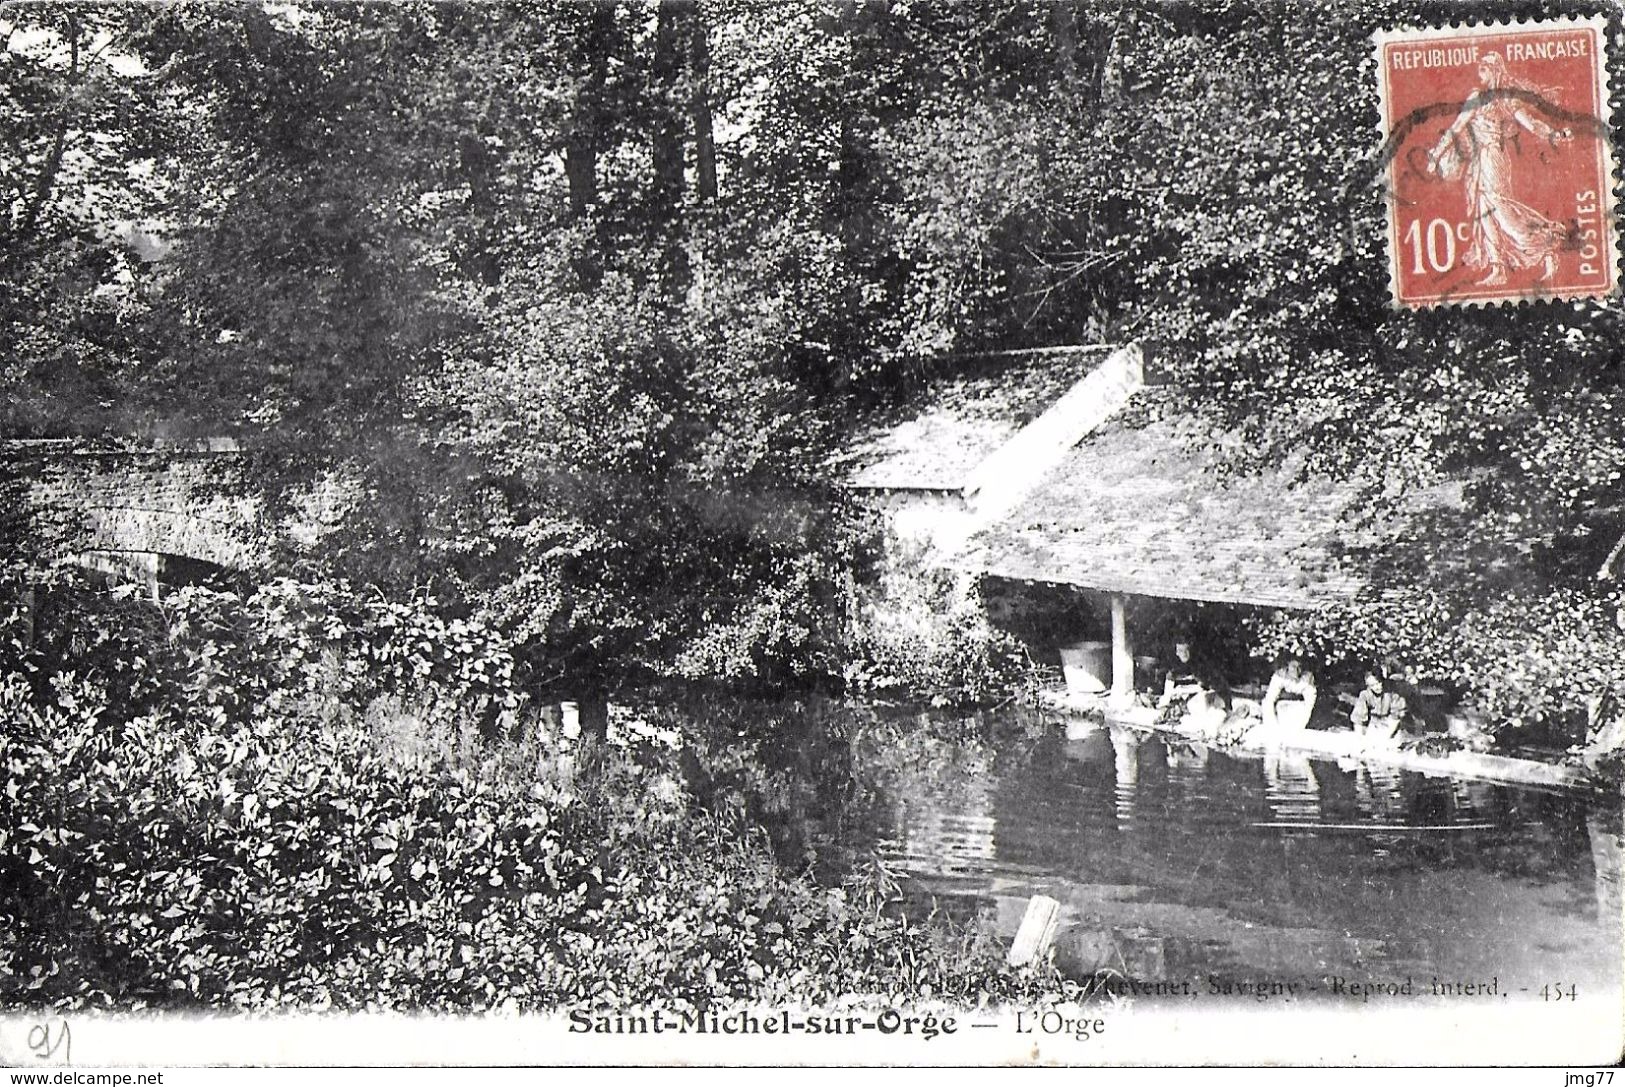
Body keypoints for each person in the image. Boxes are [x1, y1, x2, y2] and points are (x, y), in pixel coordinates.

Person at [1427, 52, 1573, 286]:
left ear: (1494, 70)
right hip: (1481, 159)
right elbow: (1456, 128)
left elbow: (1531, 124)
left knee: (1502, 211)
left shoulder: (1505, 99)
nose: (1480, 74)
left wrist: (1553, 134)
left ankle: (1546, 245)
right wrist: (1437, 154)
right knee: (1484, 214)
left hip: (1493, 157)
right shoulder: (1482, 96)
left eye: (1484, 69)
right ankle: (1499, 268)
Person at [1156, 639, 1229, 731]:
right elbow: (1171, 677)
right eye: (1177, 650)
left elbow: (1202, 686)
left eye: (1182, 651)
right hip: (1200, 692)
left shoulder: (1199, 664)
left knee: (1196, 706)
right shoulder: (1179, 663)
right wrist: (1168, 695)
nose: (1178, 653)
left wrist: (1181, 690)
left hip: (1216, 694)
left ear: (1189, 651)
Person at [1350, 670, 1409, 745]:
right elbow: (1358, 719)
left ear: (1382, 681)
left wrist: (1385, 738)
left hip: (1391, 726)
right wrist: (1360, 739)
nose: (1376, 687)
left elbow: (1395, 718)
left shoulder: (1392, 694)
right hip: (1373, 725)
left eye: (1378, 683)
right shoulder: (1364, 695)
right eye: (1372, 685)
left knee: (1392, 746)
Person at [1261, 657, 1318, 732]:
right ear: (1287, 665)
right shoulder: (1280, 676)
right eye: (1293, 667)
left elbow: (1309, 704)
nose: (1296, 670)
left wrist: (1301, 726)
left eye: (1299, 667)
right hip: (1281, 709)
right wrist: (1272, 724)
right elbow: (1269, 699)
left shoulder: (1307, 677)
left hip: (1298, 712)